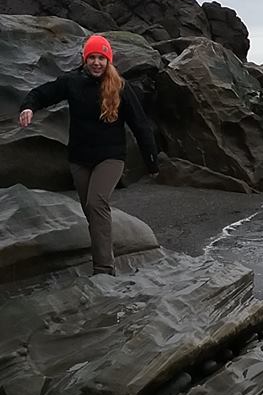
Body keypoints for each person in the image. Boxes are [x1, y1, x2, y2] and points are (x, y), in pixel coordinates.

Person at [19, 34, 159, 276]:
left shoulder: (120, 87)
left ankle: (104, 270)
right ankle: (105, 255)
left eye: (101, 58)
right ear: (85, 59)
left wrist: (152, 161)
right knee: (91, 212)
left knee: (97, 203)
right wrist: (28, 106)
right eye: (92, 57)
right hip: (79, 158)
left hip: (111, 156)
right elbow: (43, 93)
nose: (96, 62)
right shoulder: (72, 82)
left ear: (108, 61)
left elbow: (140, 125)